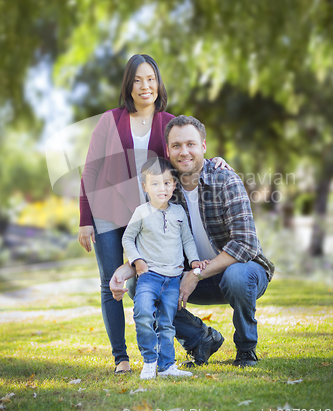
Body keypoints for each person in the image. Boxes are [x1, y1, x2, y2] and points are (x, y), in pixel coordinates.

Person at [78, 55, 228, 374]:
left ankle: (194, 338)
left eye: (150, 79)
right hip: (108, 212)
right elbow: (89, 171)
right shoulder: (110, 120)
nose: (145, 86)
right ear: (128, 86)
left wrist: (215, 161)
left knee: (153, 280)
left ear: (158, 83)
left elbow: (187, 152)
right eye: (137, 80)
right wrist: (85, 219)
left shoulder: (168, 121)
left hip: (150, 216)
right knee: (111, 283)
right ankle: (121, 357)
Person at [110, 115, 275, 368]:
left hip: (241, 274)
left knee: (237, 275)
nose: (184, 151)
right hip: (193, 279)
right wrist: (124, 271)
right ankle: (200, 339)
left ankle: (246, 349)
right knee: (138, 286)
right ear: (168, 150)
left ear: (204, 146)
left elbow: (245, 244)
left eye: (191, 144)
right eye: (176, 146)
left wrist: (196, 274)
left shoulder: (226, 180)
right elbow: (148, 247)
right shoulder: (165, 190)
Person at [123, 157, 209, 379]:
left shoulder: (179, 212)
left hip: (173, 279)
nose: (162, 188)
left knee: (167, 323)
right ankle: (150, 361)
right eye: (155, 184)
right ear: (145, 187)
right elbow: (127, 240)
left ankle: (167, 366)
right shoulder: (141, 212)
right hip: (149, 277)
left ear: (174, 185)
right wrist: (137, 260)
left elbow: (188, 240)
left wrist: (194, 261)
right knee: (142, 314)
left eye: (167, 183)